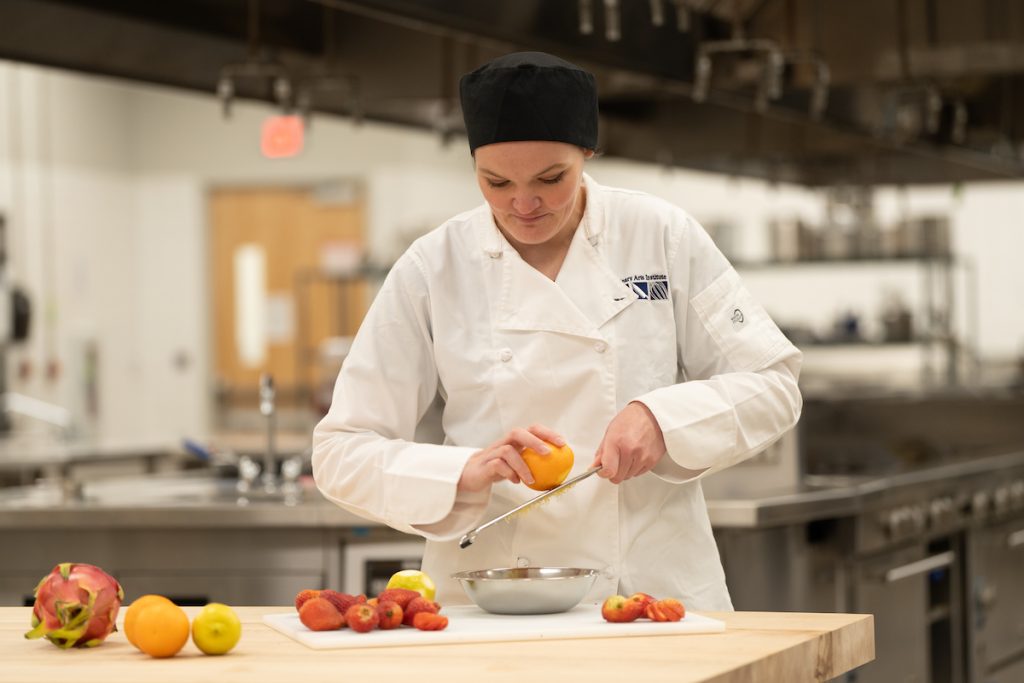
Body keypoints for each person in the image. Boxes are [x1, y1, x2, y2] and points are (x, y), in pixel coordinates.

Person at [312, 52, 802, 610]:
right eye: (495, 182)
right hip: (492, 594)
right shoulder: (435, 266)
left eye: (551, 179)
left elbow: (774, 382)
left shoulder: (659, 235)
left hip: (647, 589)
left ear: (587, 153)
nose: (523, 204)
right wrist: (460, 472)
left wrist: (663, 420)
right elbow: (339, 451)